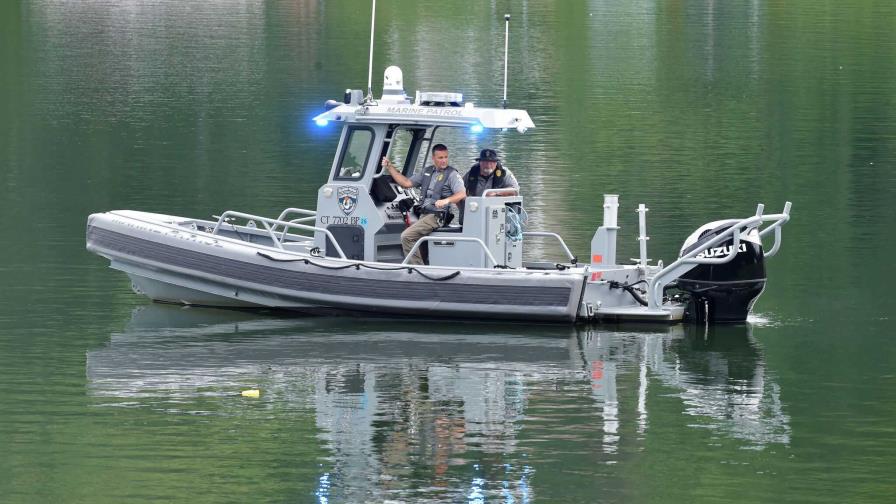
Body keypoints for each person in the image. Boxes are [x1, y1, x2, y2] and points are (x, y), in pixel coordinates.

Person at [381, 144, 466, 265]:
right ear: (433, 158)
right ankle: (425, 265)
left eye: (446, 157)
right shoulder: (427, 172)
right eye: (440, 157)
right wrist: (390, 167)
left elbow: (462, 194)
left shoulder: (452, 174)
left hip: (437, 216)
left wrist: (446, 200)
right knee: (419, 241)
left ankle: (417, 269)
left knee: (406, 236)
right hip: (424, 214)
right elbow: (406, 183)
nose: (444, 160)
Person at [458, 148, 520, 222]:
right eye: (485, 162)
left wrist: (496, 193)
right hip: (475, 213)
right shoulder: (471, 173)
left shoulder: (504, 173)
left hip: (497, 214)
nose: (488, 165)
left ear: (496, 163)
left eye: (491, 162)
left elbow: (515, 190)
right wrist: (463, 207)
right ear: (479, 162)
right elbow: (458, 191)